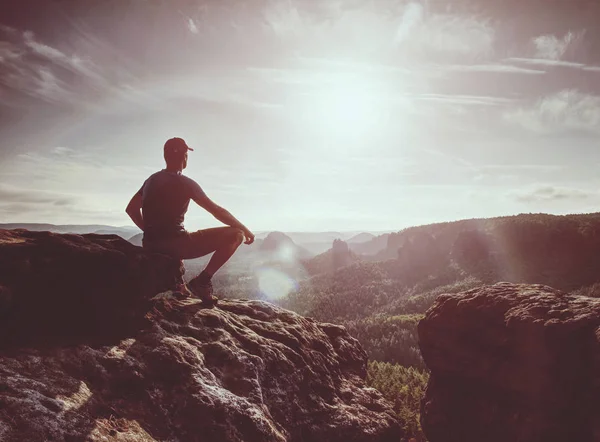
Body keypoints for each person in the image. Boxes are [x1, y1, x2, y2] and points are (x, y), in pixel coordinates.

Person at [125, 137, 254, 307]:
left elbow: (131, 209)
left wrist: (150, 233)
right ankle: (202, 281)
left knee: (180, 238)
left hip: (150, 244)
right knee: (235, 235)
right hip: (176, 245)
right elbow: (217, 211)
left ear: (165, 156)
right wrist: (244, 228)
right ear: (184, 156)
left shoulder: (151, 181)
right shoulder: (185, 183)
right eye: (186, 154)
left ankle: (177, 284)